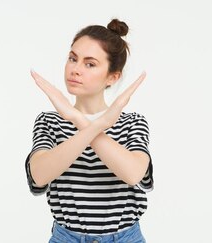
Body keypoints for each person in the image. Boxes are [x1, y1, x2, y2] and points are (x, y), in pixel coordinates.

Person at [25, 18, 153, 243]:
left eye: (90, 64)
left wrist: (79, 120)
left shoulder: (132, 122)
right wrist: (89, 122)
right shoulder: (49, 122)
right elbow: (39, 174)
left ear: (113, 77)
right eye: (73, 58)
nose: (75, 69)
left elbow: (133, 174)